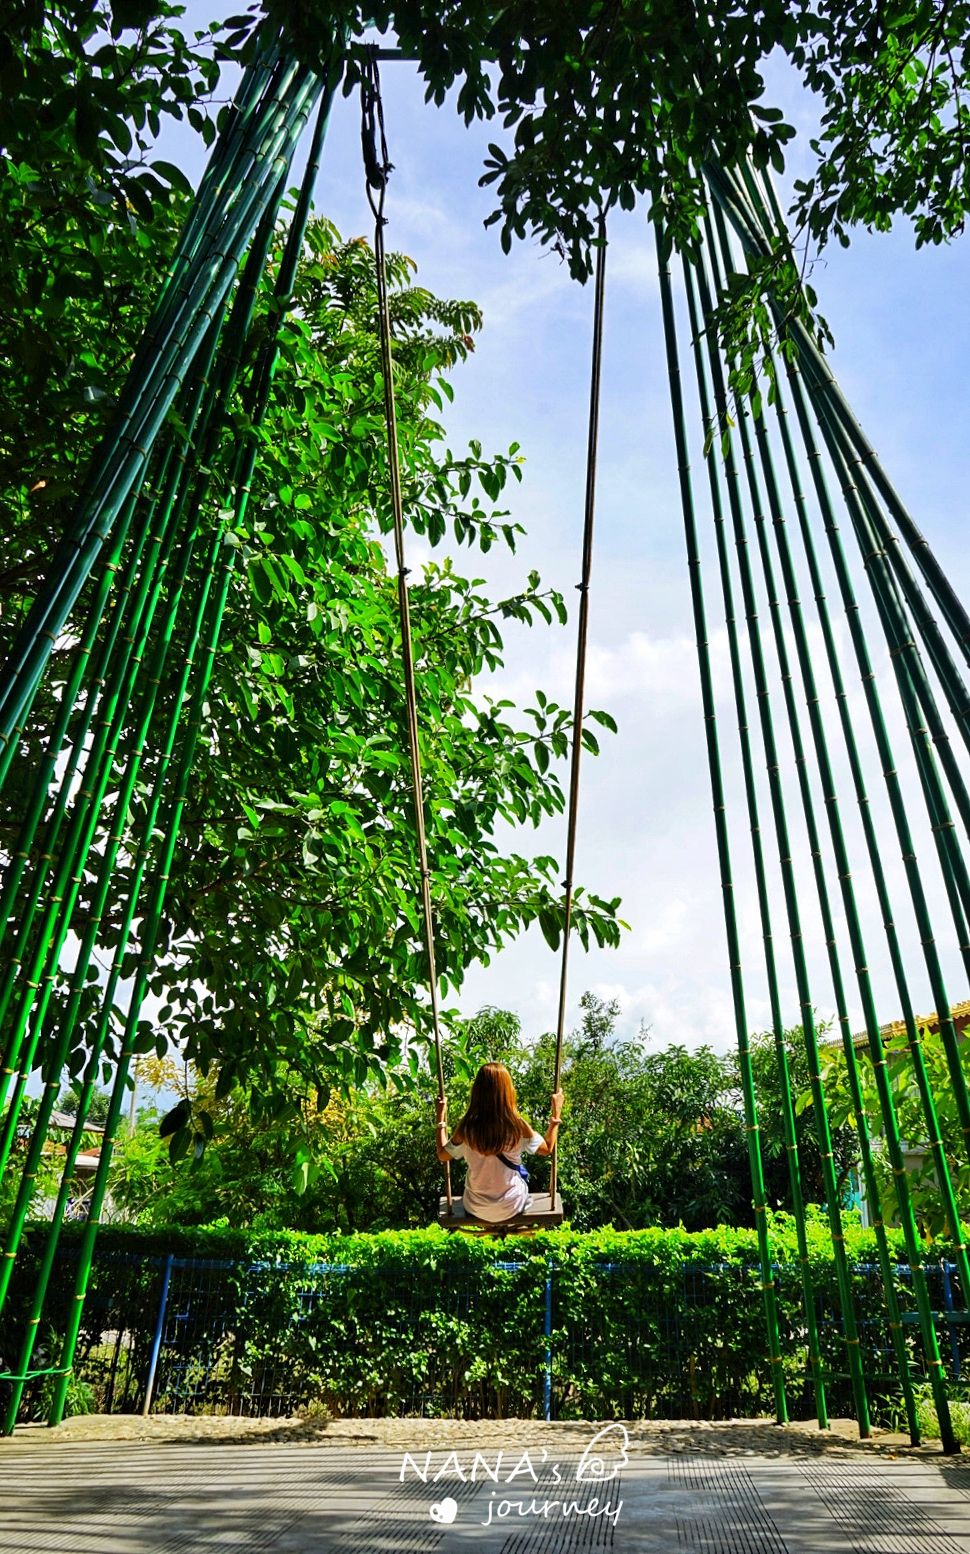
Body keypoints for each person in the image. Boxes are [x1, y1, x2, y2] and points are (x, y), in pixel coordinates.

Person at [435, 1062, 564, 1222]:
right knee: (522, 1180)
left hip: (475, 1207)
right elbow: (546, 1149)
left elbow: (442, 1155)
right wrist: (556, 1116)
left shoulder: (467, 1128)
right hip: (512, 1206)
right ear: (508, 1091)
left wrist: (440, 1119)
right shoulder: (518, 1126)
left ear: (477, 1092)